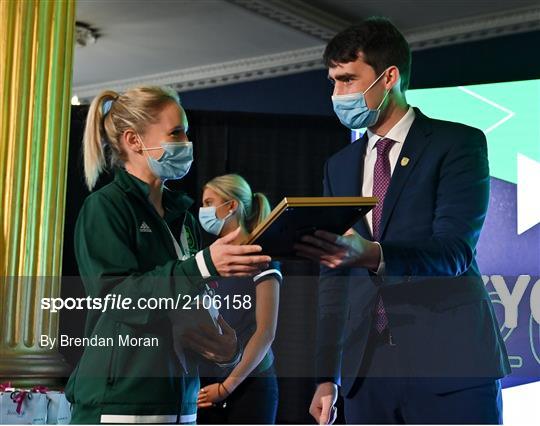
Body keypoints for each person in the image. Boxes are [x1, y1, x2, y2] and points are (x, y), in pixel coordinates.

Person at [295, 17, 510, 425]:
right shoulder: (339, 166)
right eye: (333, 82)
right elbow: (332, 281)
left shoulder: (457, 144)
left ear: (389, 76)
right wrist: (326, 377)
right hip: (365, 373)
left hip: (450, 366)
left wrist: (374, 254)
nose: (337, 94)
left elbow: (455, 251)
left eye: (347, 80)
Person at [65, 86, 271, 424]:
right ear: (134, 141)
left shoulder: (183, 216)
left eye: (186, 132)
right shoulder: (106, 207)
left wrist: (224, 349)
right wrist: (202, 265)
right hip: (121, 403)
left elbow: (184, 305)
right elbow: (116, 297)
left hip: (180, 401)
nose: (186, 142)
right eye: (175, 132)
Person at [191, 174, 281, 424]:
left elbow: (265, 333)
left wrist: (226, 388)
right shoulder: (207, 260)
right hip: (207, 386)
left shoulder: (260, 258)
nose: (203, 210)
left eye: (209, 203)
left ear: (231, 206)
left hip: (251, 385)